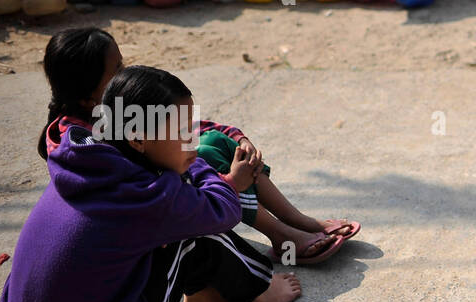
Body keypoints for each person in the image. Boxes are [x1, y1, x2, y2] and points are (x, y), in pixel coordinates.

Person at [1, 66, 302, 302]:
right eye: (183, 132)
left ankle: (204, 299)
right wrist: (210, 170)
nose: (193, 140)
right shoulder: (146, 195)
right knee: (194, 236)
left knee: (173, 226)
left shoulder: (88, 159)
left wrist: (185, 161)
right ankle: (255, 295)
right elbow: (222, 211)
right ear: (138, 139)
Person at [36, 27, 360, 264]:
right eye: (117, 69)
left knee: (215, 142)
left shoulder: (112, 109)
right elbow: (152, 195)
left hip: (162, 197)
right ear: (87, 95)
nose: (127, 72)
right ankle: (280, 234)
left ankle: (298, 220)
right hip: (146, 229)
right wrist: (231, 181)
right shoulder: (83, 145)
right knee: (202, 154)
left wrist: (237, 137)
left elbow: (184, 129)